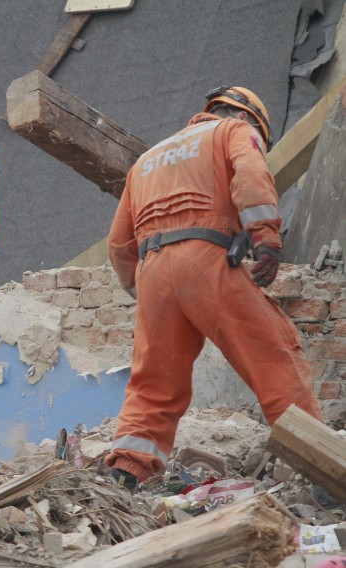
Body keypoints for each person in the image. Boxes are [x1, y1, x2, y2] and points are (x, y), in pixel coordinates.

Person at [104, 85, 324, 490]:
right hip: (207, 260)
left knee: (153, 383)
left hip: (152, 270)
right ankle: (320, 472)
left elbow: (119, 244)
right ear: (245, 117)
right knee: (273, 355)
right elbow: (252, 176)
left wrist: (144, 290)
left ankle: (125, 473)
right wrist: (265, 237)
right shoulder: (234, 132)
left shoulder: (148, 160)